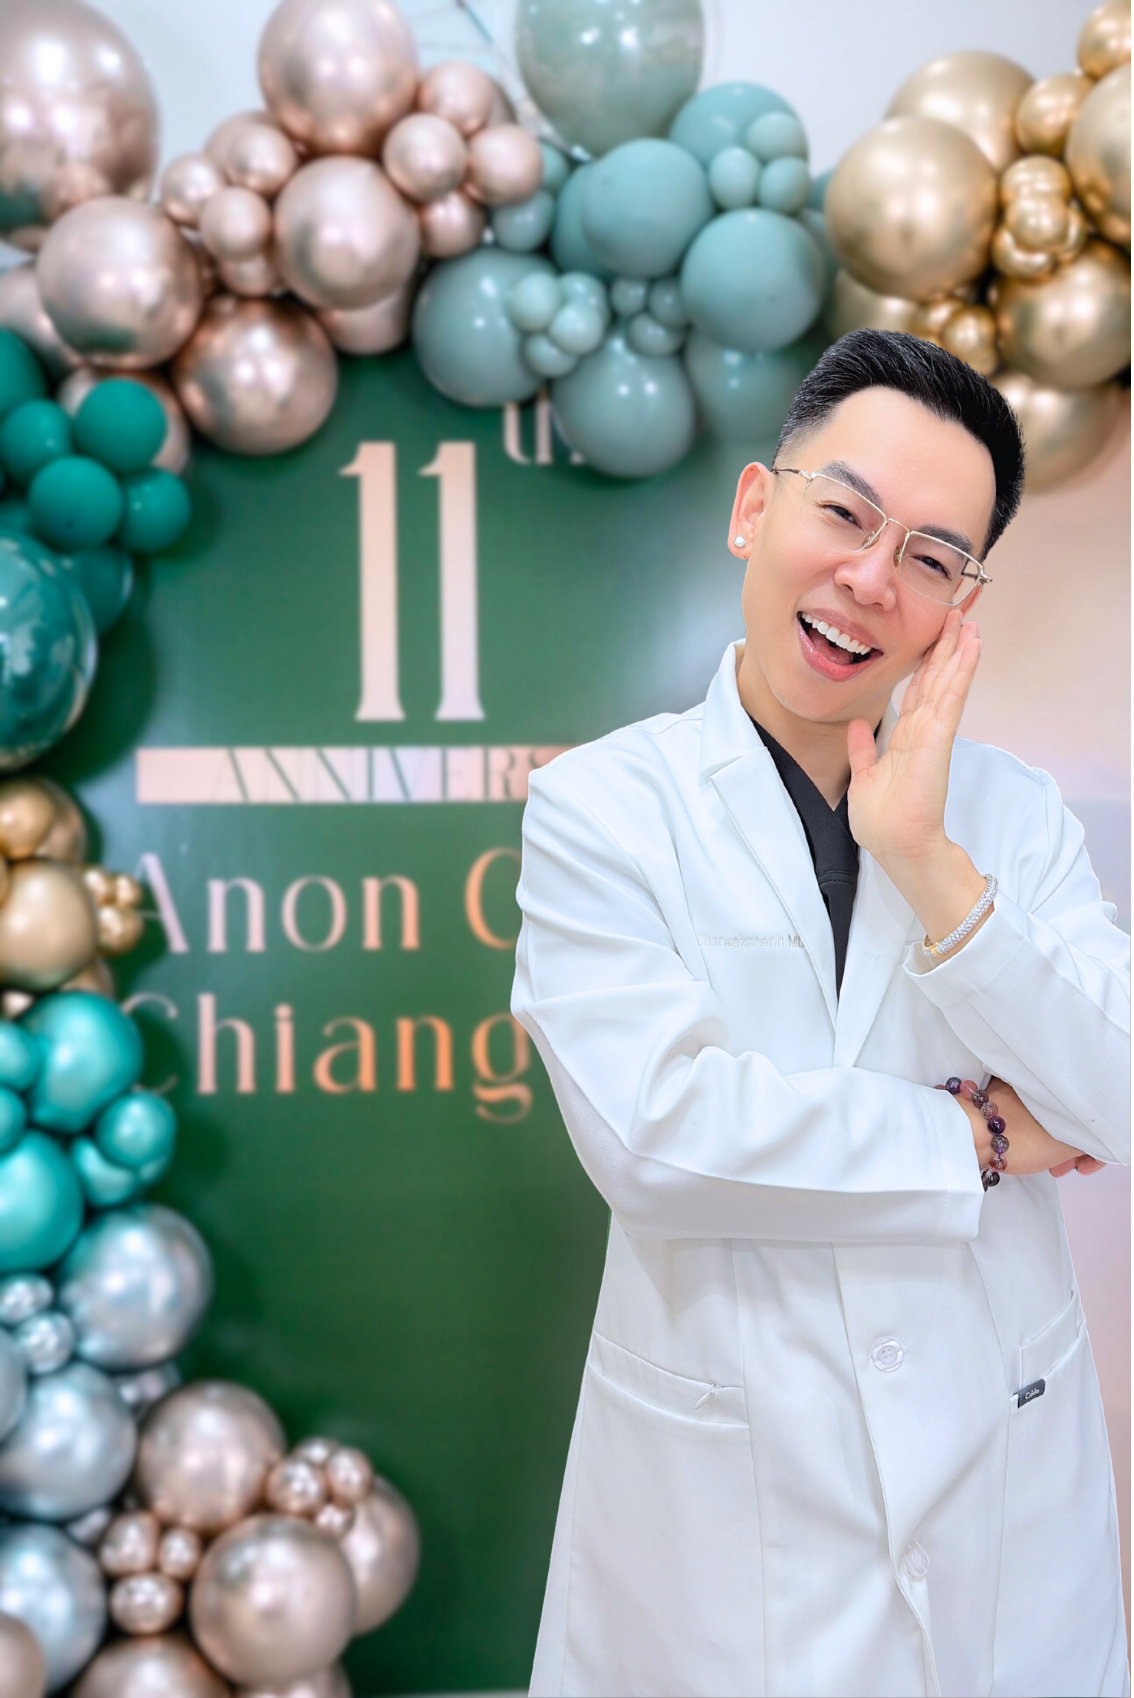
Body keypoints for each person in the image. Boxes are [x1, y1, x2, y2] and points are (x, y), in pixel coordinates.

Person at [511, 330, 1129, 1698]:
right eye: (844, 513)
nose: (870, 579)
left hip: (1004, 1490)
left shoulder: (1012, 818)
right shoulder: (600, 810)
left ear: (963, 604)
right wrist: (975, 1138)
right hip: (729, 1531)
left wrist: (928, 863)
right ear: (754, 508)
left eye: (932, 557)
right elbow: (662, 1138)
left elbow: (1117, 1095)